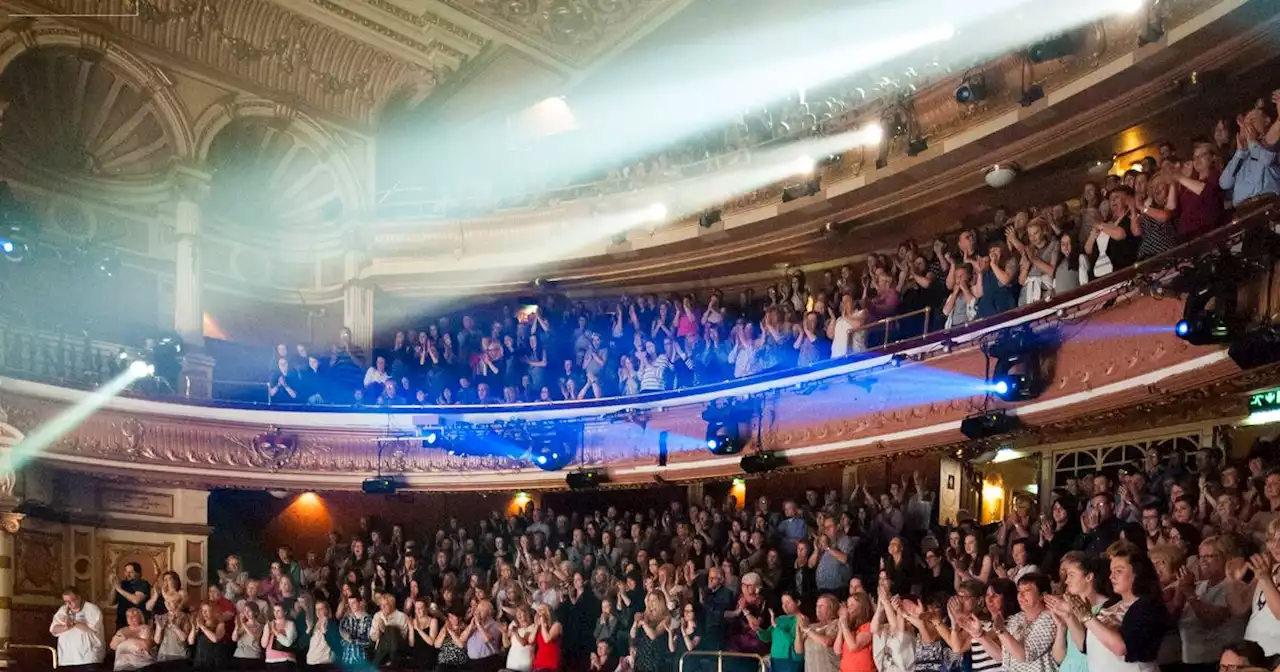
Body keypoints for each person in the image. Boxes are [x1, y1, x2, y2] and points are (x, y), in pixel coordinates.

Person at [50, 586, 105, 669]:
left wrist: (73, 622)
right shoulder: (63, 610)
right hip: (66, 659)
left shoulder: (92, 609)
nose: (68, 604)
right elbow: (53, 630)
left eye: (71, 601)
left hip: (88, 658)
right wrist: (66, 627)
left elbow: (92, 629)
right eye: (66, 601)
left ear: (79, 598)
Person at [110, 607, 155, 671]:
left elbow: (146, 646)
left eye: (134, 615)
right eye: (128, 616)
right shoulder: (122, 630)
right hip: (122, 665)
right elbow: (112, 646)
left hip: (142, 665)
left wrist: (128, 638)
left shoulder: (145, 628)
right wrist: (119, 639)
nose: (131, 618)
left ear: (140, 617)